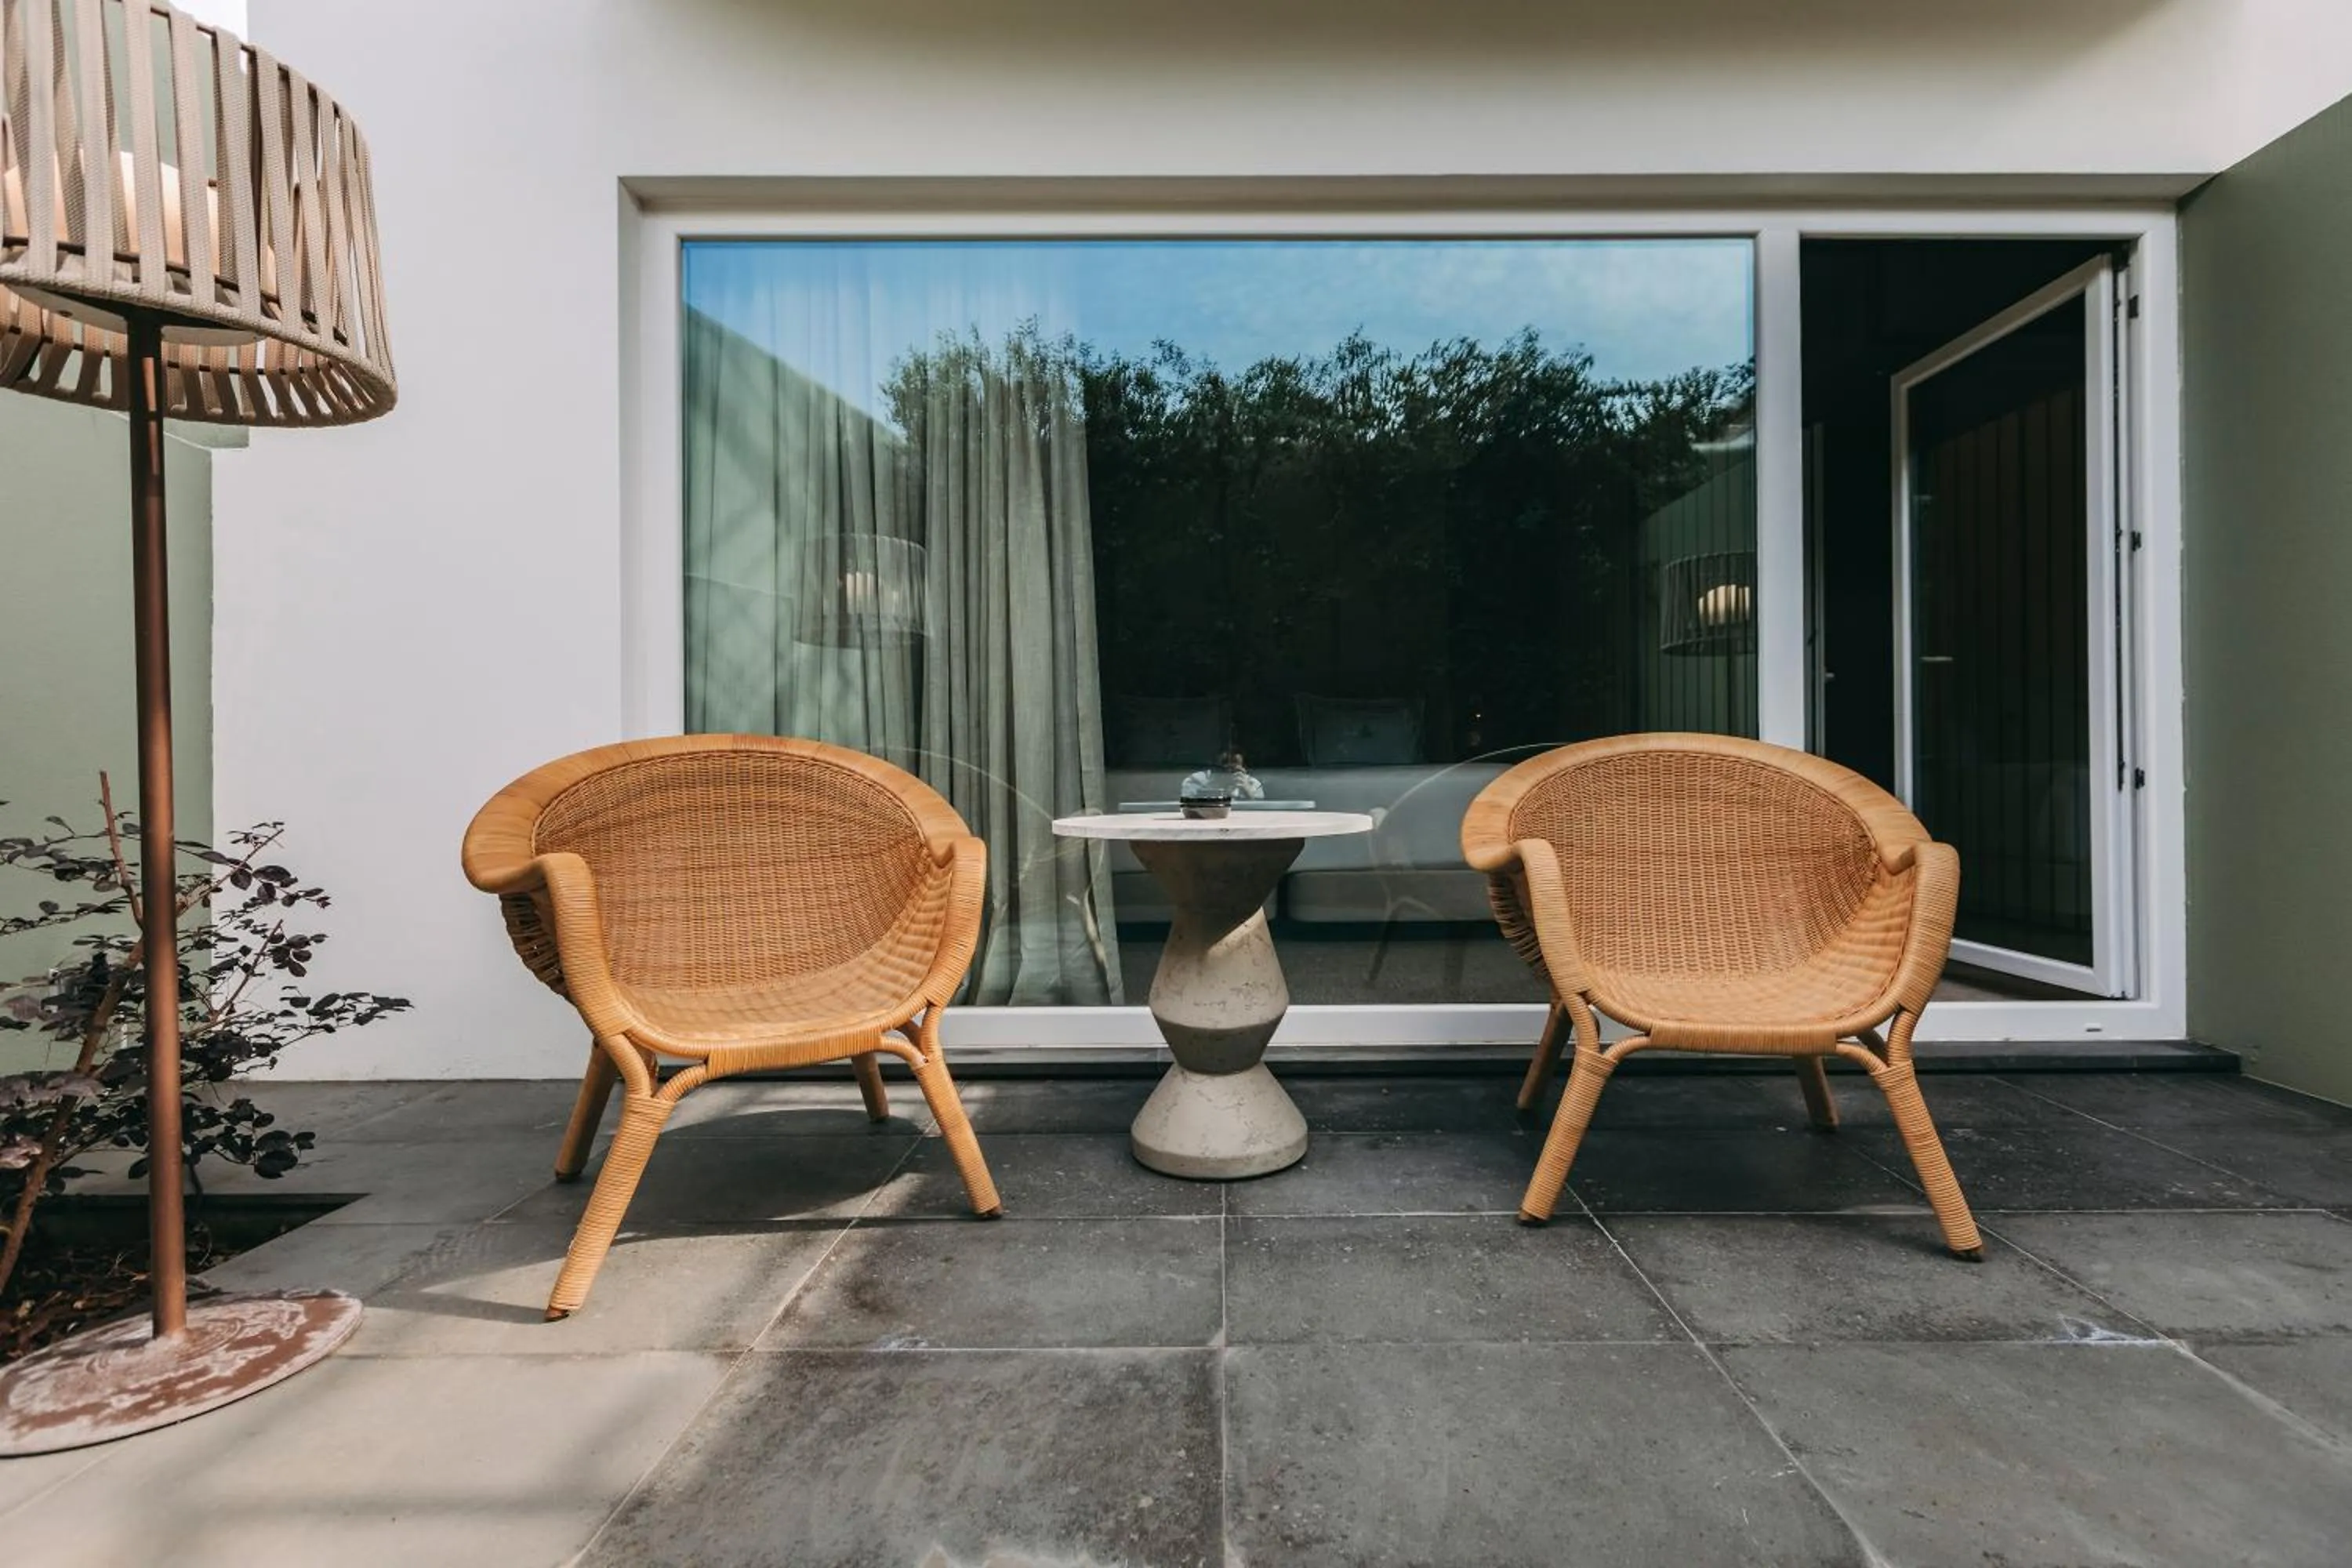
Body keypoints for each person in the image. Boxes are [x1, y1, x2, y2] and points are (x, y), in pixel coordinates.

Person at [1181, 747, 1265, 801]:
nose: (1229, 768)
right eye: (1224, 763)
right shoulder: (1196, 780)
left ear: (1243, 767)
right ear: (1214, 763)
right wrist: (1218, 785)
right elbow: (1186, 806)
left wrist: (1248, 791)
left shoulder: (1253, 784)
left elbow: (1262, 812)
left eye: (1235, 763)